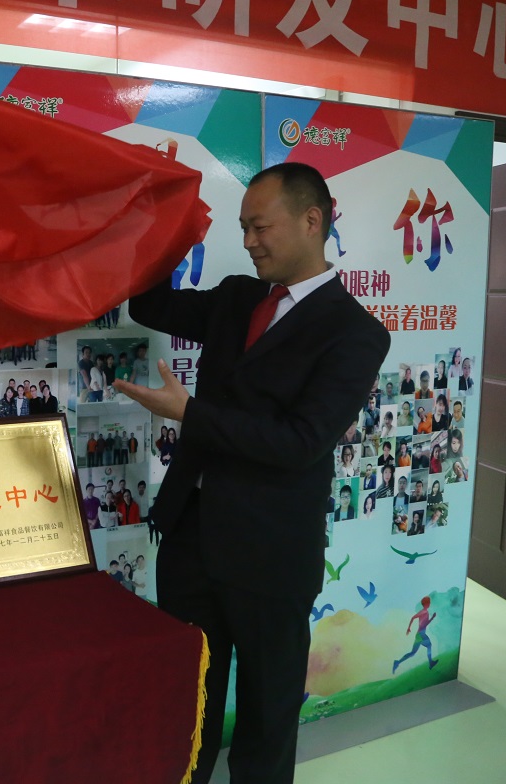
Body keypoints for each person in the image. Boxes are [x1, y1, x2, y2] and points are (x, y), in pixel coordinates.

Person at [116, 162, 389, 783]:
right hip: (190, 540)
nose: (248, 242)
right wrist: (171, 224)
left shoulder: (355, 333)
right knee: (188, 709)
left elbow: (300, 443)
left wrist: (190, 413)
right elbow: (149, 302)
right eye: (242, 228)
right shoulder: (239, 297)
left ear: (312, 220)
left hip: (271, 559)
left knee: (266, 720)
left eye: (260, 227)